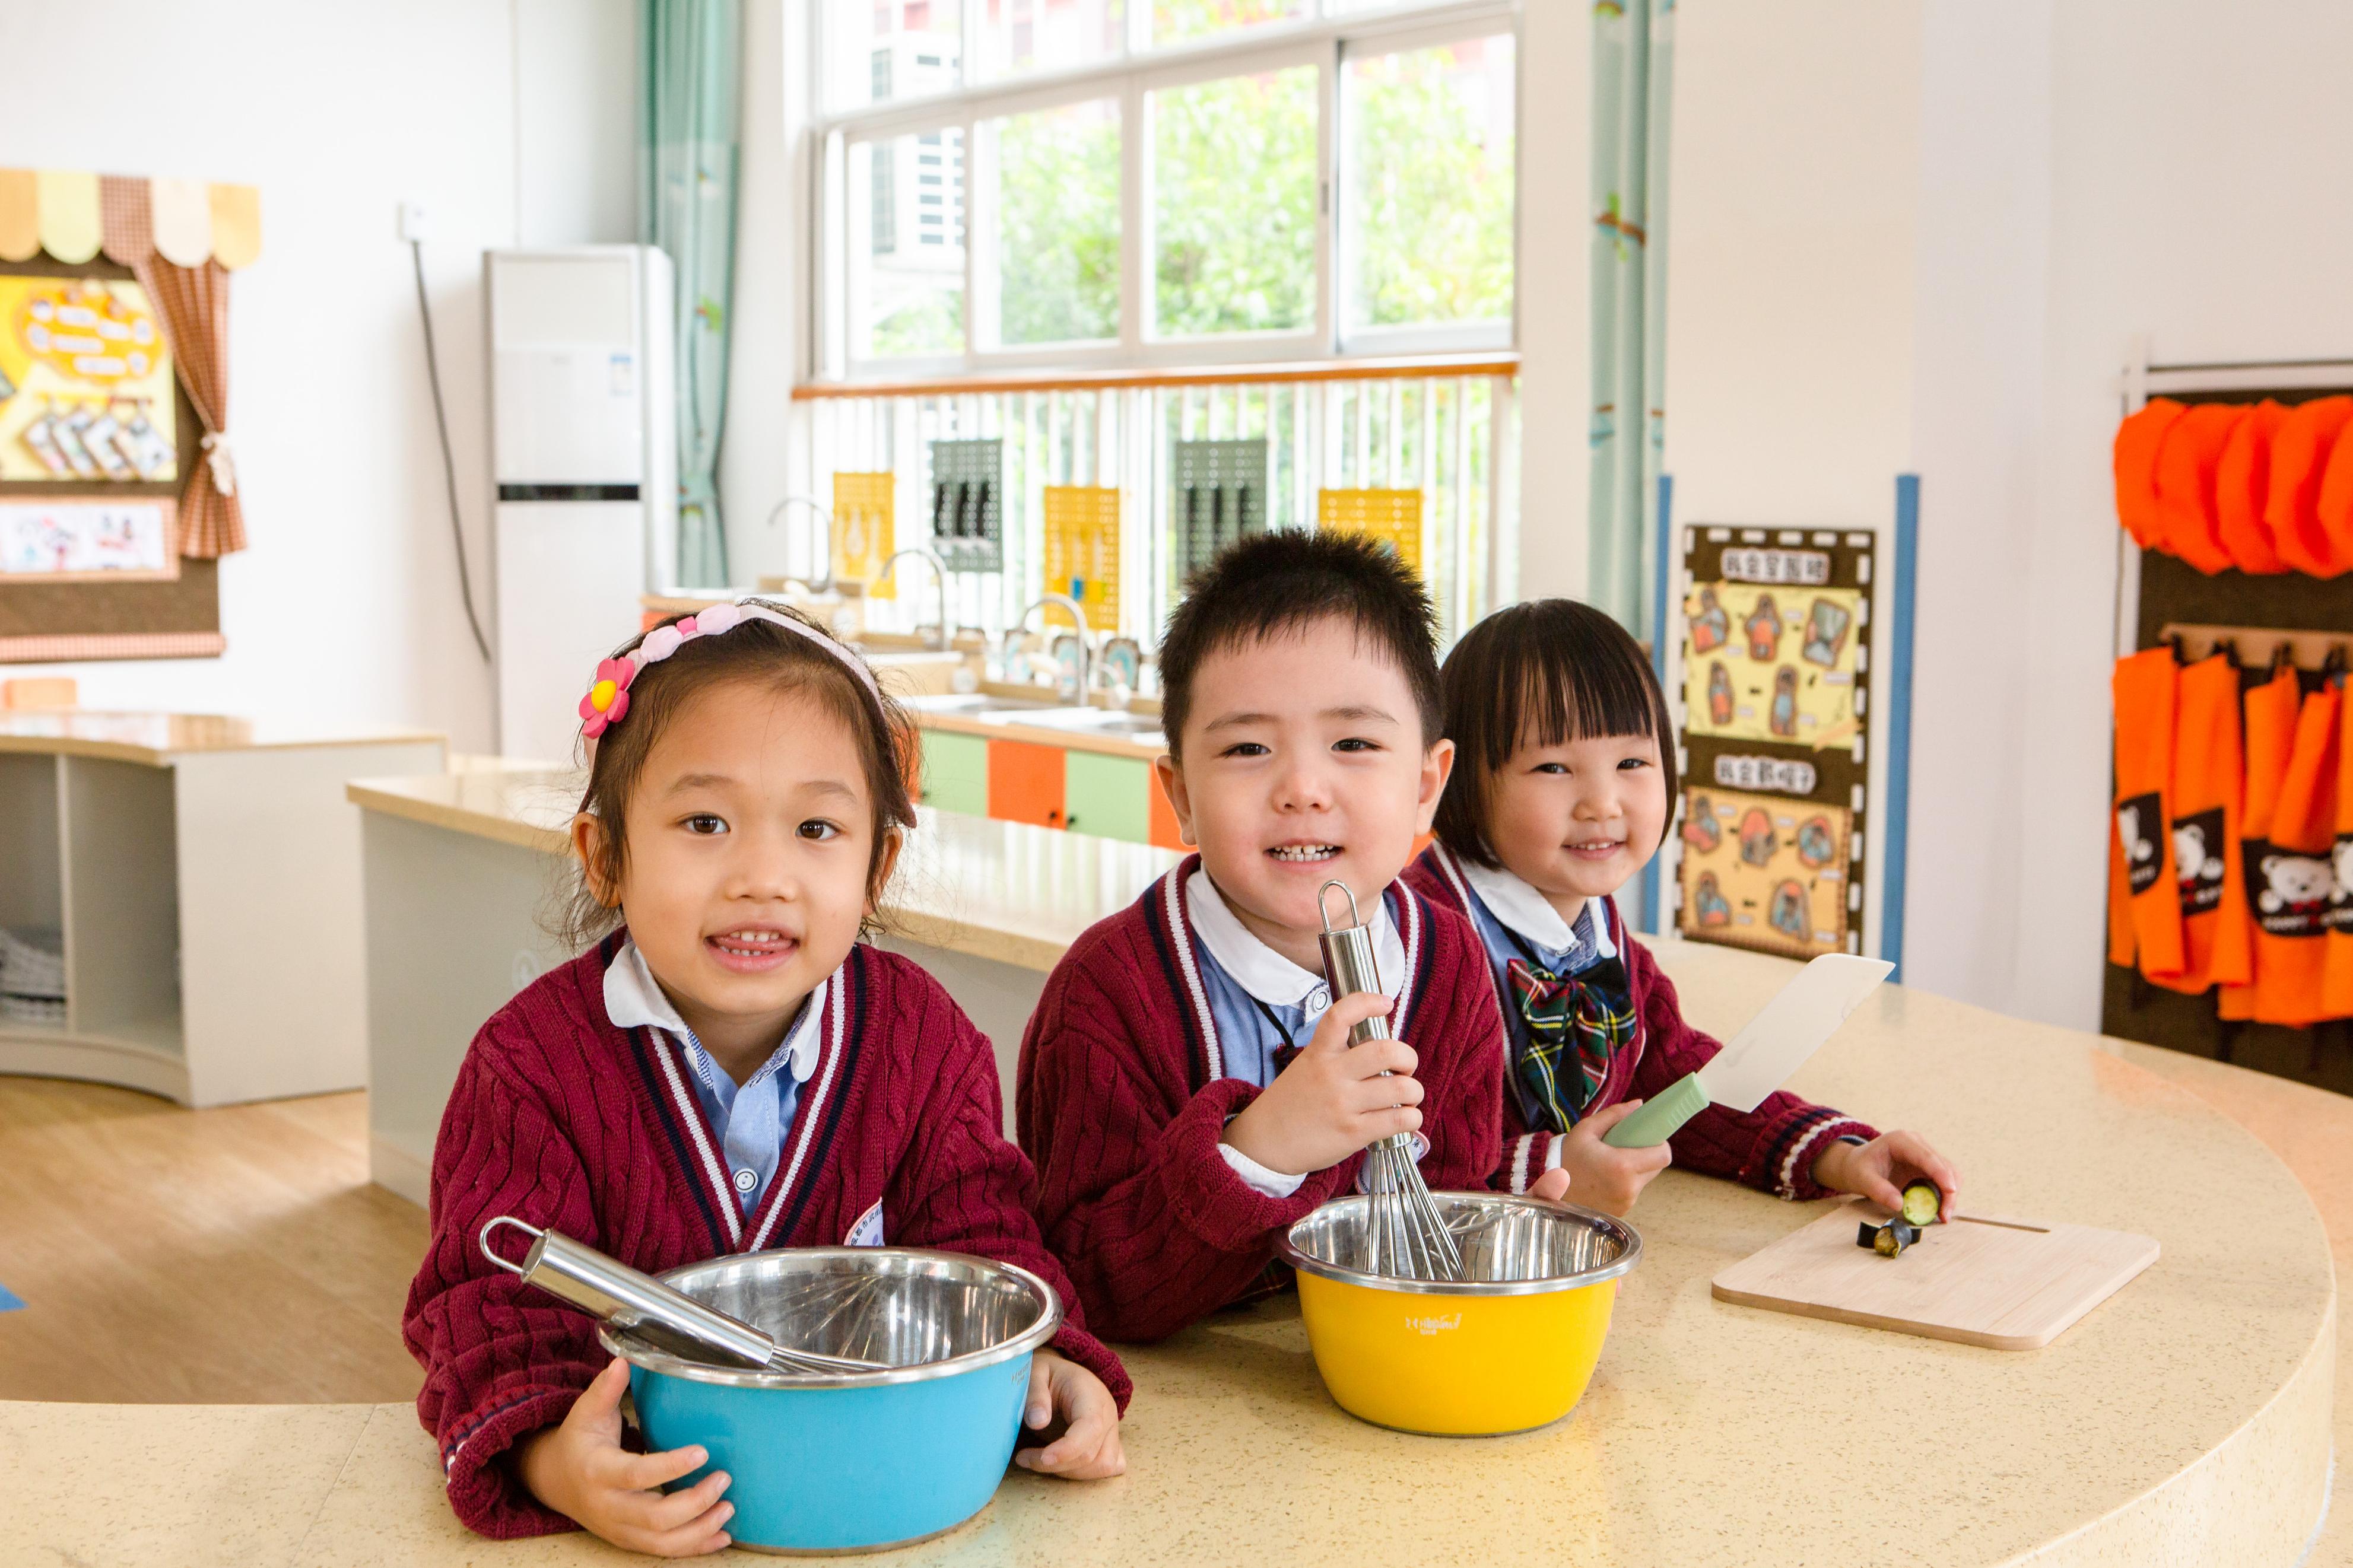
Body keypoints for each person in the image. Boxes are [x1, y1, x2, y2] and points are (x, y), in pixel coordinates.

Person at [405, 600, 1127, 1556]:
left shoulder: (926, 1041)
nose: (763, 875)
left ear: (878, 864)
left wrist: (1042, 1358)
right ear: (606, 854)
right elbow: (487, 1308)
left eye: (816, 827)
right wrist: (554, 1462)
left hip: (882, 1490)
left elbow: (983, 1241)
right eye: (705, 821)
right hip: (659, 1498)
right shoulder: (529, 1065)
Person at [1018, 532, 1504, 1342]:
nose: (1303, 789)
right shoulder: (1107, 993)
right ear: (1180, 795)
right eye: (1248, 747)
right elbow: (1086, 1285)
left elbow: (1451, 1200)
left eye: (1353, 744)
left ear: (1426, 785)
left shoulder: (1449, 964)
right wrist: (1257, 1151)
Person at [1405, 597, 1960, 1217]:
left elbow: (1673, 1079)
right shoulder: (1415, 945)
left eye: (1632, 762)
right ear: (1454, 778)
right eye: (1553, 766)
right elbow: (1390, 1167)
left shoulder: (1595, 926)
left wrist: (1840, 1155)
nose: (1602, 802)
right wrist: (1552, 1171)